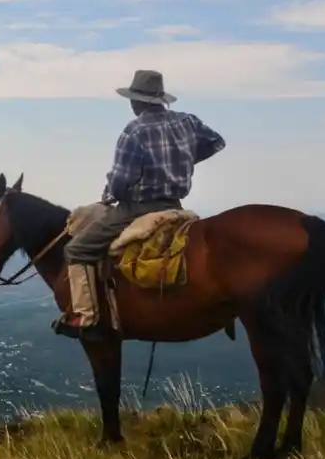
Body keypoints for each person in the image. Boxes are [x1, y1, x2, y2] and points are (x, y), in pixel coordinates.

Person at [53, 69, 226, 341]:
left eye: (132, 99)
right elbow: (217, 142)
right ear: (160, 99)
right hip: (176, 205)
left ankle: (86, 318)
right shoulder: (187, 121)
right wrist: (185, 160)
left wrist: (108, 196)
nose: (131, 104)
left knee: (77, 249)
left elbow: (121, 179)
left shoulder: (134, 131)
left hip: (138, 207)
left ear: (138, 101)